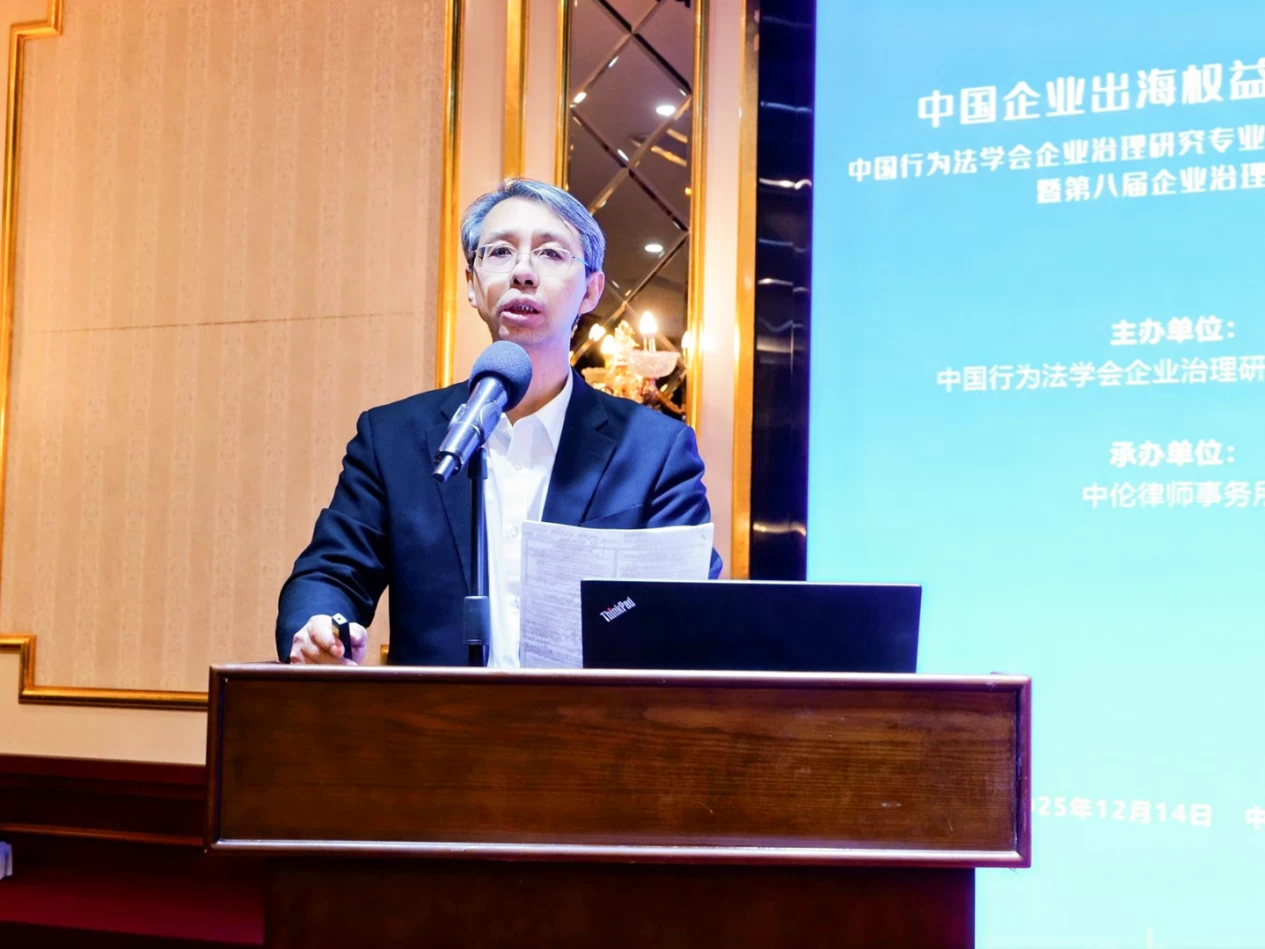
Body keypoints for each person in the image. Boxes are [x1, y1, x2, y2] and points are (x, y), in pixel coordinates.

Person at [277, 178, 720, 666]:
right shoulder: (392, 439)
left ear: (591, 290)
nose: (523, 272)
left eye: (551, 254)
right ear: (472, 284)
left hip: (592, 716)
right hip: (436, 716)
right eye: (501, 252)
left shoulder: (655, 450)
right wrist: (320, 630)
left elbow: (688, 608)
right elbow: (330, 574)